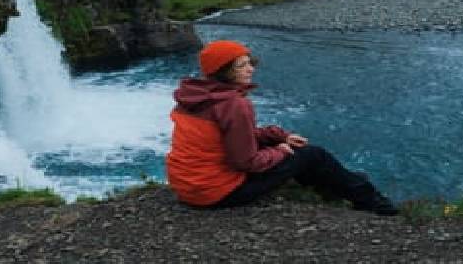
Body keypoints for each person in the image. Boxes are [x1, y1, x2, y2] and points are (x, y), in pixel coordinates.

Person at [165, 39, 397, 215]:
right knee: (312, 155)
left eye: (250, 63)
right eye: (241, 65)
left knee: (303, 156)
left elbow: (230, 137)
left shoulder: (193, 97)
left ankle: (336, 185)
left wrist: (278, 136)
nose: (251, 69)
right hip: (218, 194)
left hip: (188, 188)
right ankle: (375, 204)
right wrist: (280, 150)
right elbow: (245, 162)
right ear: (223, 71)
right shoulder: (234, 104)